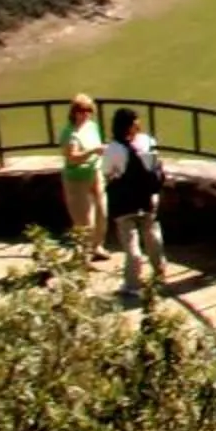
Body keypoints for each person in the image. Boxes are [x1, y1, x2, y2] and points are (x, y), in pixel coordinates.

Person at [103, 107, 170, 299]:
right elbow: (156, 166)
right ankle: (160, 272)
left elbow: (107, 173)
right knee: (152, 236)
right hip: (146, 197)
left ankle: (132, 284)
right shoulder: (147, 141)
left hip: (124, 202)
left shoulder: (113, 149)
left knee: (131, 242)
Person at [58, 93, 108, 264]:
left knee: (102, 212)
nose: (86, 114)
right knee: (84, 221)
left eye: (89, 110)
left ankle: (97, 247)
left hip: (95, 172)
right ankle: (83, 258)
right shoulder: (69, 133)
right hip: (76, 178)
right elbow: (72, 157)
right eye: (82, 110)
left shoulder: (92, 126)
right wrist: (93, 151)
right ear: (74, 112)